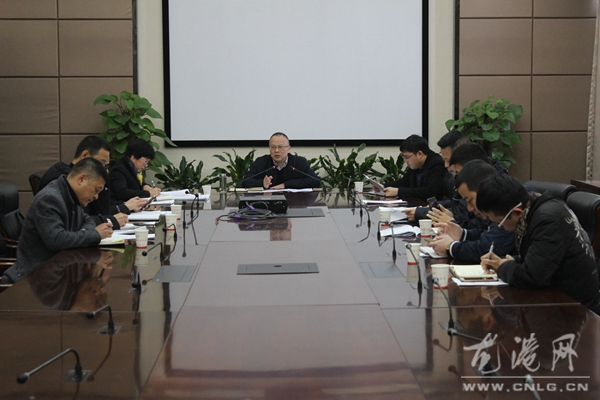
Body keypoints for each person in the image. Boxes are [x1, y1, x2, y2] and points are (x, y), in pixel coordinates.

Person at [478, 174, 600, 314]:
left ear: (516, 213)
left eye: (499, 223)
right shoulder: (537, 210)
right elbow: (543, 258)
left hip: (574, 310)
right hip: (556, 298)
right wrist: (509, 261)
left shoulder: (547, 221)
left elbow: (532, 277)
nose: (501, 228)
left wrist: (502, 268)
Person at [1, 158, 113, 284]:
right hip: (32, 278)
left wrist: (84, 232)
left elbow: (87, 220)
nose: (96, 196)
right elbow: (56, 240)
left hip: (57, 272)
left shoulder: (72, 195)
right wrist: (94, 234)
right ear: (81, 179)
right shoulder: (49, 198)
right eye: (96, 190)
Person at [39, 135, 146, 229]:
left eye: (106, 166)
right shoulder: (63, 181)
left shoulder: (83, 179)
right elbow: (78, 222)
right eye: (101, 163)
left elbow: (100, 210)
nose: (103, 169)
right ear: (85, 156)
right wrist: (112, 219)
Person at [428, 160, 516, 263]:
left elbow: (487, 248)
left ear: (484, 191)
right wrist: (463, 234)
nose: (469, 208)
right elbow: (488, 234)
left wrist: (451, 248)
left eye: (470, 200)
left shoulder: (506, 207)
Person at [241, 132, 320, 189]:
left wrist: (285, 185)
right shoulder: (261, 162)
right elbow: (245, 182)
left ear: (288, 149)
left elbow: (315, 181)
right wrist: (262, 183)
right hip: (267, 203)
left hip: (293, 203)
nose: (276, 150)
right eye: (273, 147)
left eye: (280, 147)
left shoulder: (299, 162)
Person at [383, 134, 448, 202]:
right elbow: (404, 182)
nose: (405, 161)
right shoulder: (416, 164)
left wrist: (398, 191)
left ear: (419, 154)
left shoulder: (437, 164)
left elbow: (429, 191)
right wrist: (383, 186)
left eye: (407, 157)